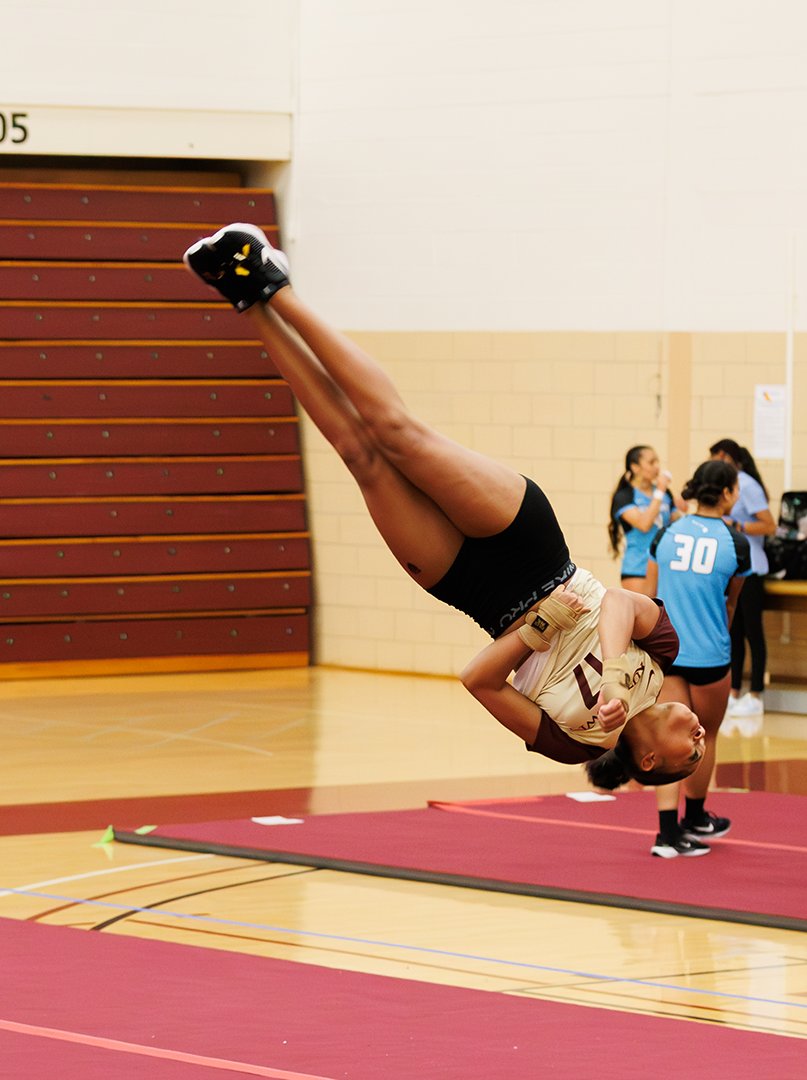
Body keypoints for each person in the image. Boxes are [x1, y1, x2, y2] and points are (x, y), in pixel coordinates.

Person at [183, 224, 703, 788]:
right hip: (533, 549)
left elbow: (478, 680)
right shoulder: (666, 653)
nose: (701, 737)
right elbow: (625, 602)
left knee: (361, 456)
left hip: (479, 594)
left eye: (690, 756)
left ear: (649, 762)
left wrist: (533, 634)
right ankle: (276, 283)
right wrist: (610, 682)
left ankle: (246, 298)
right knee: (398, 435)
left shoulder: (572, 744)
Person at [644, 460, 748, 856]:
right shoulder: (737, 544)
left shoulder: (667, 532)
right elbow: (731, 604)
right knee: (706, 734)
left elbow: (650, 600)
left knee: (667, 739)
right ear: (725, 494)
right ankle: (697, 817)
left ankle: (667, 835)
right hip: (710, 655)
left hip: (669, 653)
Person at [710, 438, 774, 731]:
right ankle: (734, 692)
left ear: (724, 456)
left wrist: (736, 526)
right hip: (732, 566)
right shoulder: (729, 483)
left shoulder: (746, 484)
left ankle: (757, 693)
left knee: (752, 631)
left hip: (752, 567)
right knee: (733, 630)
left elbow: (769, 525)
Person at [609, 446, 676, 594]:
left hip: (663, 566)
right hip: (638, 568)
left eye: (657, 461)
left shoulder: (665, 494)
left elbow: (677, 524)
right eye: (651, 462)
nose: (657, 466)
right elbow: (644, 524)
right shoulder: (625, 496)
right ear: (635, 468)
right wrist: (659, 492)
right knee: (646, 614)